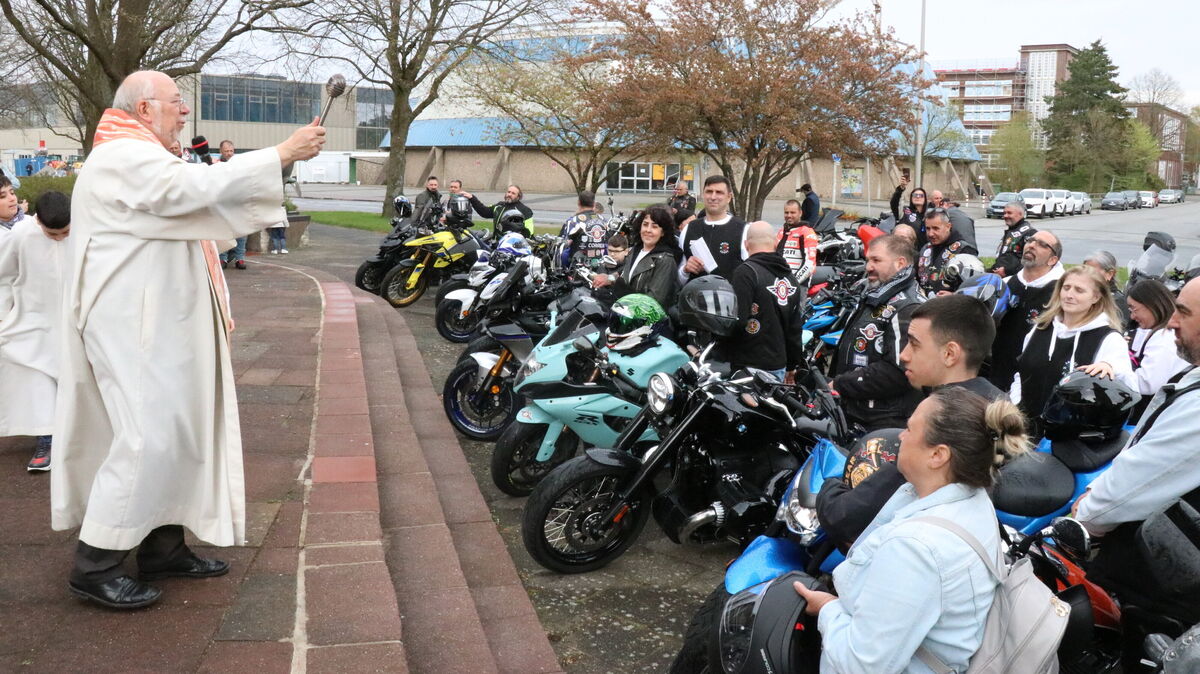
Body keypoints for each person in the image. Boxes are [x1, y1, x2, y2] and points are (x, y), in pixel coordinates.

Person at [52, 70, 325, 609]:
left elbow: (196, 206)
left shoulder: (140, 154)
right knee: (146, 435)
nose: (184, 112)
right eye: (176, 103)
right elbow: (190, 191)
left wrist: (277, 161)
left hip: (157, 325)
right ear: (144, 108)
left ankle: (163, 547)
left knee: (175, 431)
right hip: (134, 327)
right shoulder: (122, 156)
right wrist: (281, 154)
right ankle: (95, 564)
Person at [796, 388, 1029, 673]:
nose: (901, 437)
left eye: (909, 428)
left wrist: (827, 609)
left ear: (938, 455)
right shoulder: (972, 500)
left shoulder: (917, 548)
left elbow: (861, 665)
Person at [818, 294, 1004, 549]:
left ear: (950, 353)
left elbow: (843, 517)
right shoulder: (995, 403)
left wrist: (827, 483)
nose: (904, 355)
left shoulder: (943, 421)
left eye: (914, 344)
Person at [1073, 276, 1200, 634]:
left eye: (1184, 313)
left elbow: (1140, 479)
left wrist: (1088, 509)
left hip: (1157, 591)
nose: (1173, 321)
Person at [0, 190, 72, 472]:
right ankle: (46, 439)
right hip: (33, 320)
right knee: (37, 380)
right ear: (38, 221)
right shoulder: (20, 235)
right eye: (52, 235)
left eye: (65, 233)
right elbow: (3, 276)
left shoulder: (86, 229)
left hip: (73, 318)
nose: (59, 239)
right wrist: (3, 315)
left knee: (77, 380)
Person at [1010, 266, 1135, 427]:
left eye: (1079, 290)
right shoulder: (1040, 328)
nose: (1069, 295)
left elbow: (1128, 387)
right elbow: (1021, 373)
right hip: (1024, 429)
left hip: (1068, 439)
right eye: (1066, 288)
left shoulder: (1108, 339)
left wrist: (1110, 369)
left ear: (1096, 297)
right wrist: (1015, 404)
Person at [831, 234, 924, 430]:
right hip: (859, 411)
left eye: (876, 260)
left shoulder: (908, 305)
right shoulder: (879, 294)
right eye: (867, 260)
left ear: (900, 263)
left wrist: (841, 384)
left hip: (884, 419)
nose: (868, 267)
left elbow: (899, 372)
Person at [727, 221, 805, 380]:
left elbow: (737, 321)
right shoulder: (791, 278)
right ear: (776, 242)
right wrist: (792, 365)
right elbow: (795, 328)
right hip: (778, 364)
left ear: (746, 244)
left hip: (749, 365)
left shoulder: (745, 273)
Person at [988, 230, 1064, 390]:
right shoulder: (1006, 284)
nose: (1032, 245)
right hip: (998, 374)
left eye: (1042, 244)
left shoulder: (1060, 293)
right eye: (1031, 240)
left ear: (1053, 259)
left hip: (1034, 381)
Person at [591, 205, 681, 309]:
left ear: (663, 232)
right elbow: (625, 273)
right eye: (645, 224)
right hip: (623, 313)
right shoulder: (635, 250)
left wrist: (619, 289)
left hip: (644, 322)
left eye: (655, 226)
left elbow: (653, 303)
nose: (648, 230)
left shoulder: (665, 260)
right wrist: (609, 278)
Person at [1125, 279, 1189, 421]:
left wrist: (1115, 369)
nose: (1132, 316)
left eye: (1134, 309)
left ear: (1151, 306)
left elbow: (1148, 384)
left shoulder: (1163, 337)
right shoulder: (1159, 333)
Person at [678, 175, 748, 282]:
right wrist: (685, 270)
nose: (713, 197)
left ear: (729, 197)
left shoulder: (743, 229)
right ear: (703, 194)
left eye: (719, 192)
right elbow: (677, 278)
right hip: (695, 296)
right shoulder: (690, 228)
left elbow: (751, 274)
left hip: (730, 297)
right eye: (709, 191)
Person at [916, 209, 978, 296]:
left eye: (935, 228)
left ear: (948, 226)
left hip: (951, 306)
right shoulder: (925, 249)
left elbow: (974, 287)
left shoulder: (964, 250)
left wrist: (954, 295)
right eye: (928, 228)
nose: (930, 234)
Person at [217, 139, 247, 270]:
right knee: (223, 232)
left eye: (231, 151)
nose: (229, 153)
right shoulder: (216, 166)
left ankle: (240, 258)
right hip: (223, 204)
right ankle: (222, 258)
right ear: (221, 152)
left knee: (241, 232)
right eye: (226, 151)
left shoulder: (240, 166)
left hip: (238, 203)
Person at [462, 184, 533, 238]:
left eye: (513, 193)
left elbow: (529, 232)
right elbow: (484, 212)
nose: (509, 195)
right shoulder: (499, 206)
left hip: (512, 245)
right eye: (508, 192)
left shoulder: (525, 210)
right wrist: (472, 198)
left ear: (518, 196)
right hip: (496, 242)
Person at [561, 190, 608, 267]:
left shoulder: (573, 220)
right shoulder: (603, 220)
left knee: (563, 255)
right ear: (593, 204)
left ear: (579, 203)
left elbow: (567, 241)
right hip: (600, 260)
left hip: (578, 260)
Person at [989, 202, 1037, 277]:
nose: (1005, 216)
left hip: (1015, 279)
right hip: (999, 276)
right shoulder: (1011, 231)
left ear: (1020, 214)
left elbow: (1032, 261)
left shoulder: (1029, 233)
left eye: (1009, 213)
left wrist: (1007, 271)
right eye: (1004, 213)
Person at [777, 199, 819, 284]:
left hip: (798, 285)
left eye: (793, 212)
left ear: (800, 213)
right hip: (780, 284)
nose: (789, 215)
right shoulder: (781, 232)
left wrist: (793, 282)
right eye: (786, 212)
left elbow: (810, 264)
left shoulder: (807, 232)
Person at [1083, 250, 1129, 325]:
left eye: (1093, 272)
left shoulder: (1117, 302)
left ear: (1110, 274)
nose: (1086, 276)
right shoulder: (1081, 294)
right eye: (1084, 270)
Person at [889, 174, 930, 247]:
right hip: (904, 250)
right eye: (915, 195)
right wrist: (901, 188)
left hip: (923, 252)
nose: (918, 197)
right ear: (911, 198)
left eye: (921, 195)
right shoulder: (905, 211)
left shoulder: (929, 214)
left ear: (925, 199)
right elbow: (894, 203)